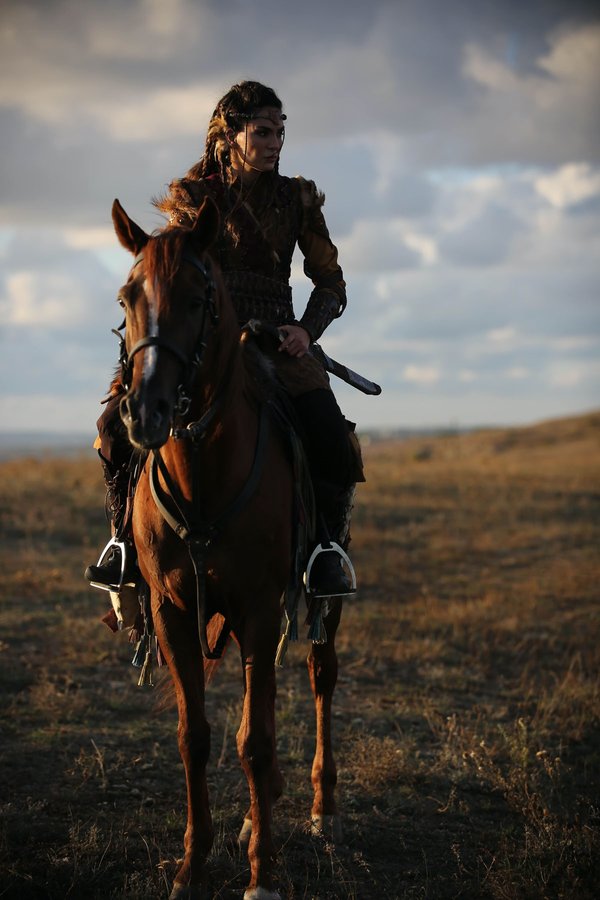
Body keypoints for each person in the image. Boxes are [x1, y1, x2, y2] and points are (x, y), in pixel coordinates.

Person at [85, 80, 362, 600]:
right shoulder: (194, 196)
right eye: (262, 131)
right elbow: (174, 268)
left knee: (332, 440)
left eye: (280, 131)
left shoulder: (297, 197)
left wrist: (306, 329)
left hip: (279, 344)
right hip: (202, 340)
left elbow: (331, 281)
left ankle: (325, 551)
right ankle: (124, 542)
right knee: (111, 429)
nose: (275, 141)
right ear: (228, 136)